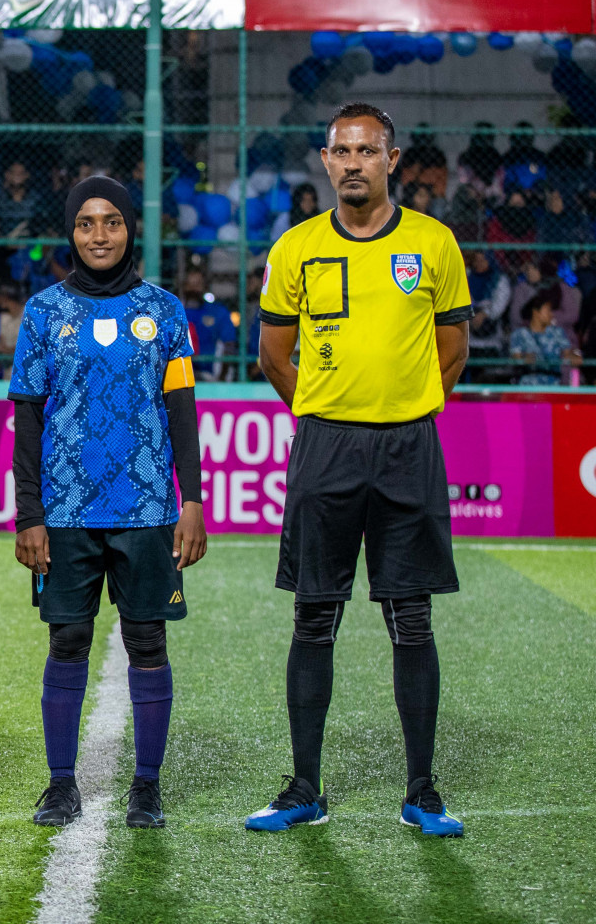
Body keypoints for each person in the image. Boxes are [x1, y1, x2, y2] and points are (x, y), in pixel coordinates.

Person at [249, 102, 471, 837]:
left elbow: (453, 347)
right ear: (324, 159)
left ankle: (423, 792)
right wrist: (321, 409)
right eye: (341, 151)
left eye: (366, 151)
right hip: (326, 447)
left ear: (391, 160)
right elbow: (273, 355)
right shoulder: (297, 247)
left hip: (408, 447)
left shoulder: (434, 244)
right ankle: (303, 789)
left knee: (411, 616)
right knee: (315, 615)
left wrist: (403, 406)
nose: (352, 163)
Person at [11, 175, 206, 830]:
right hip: (65, 514)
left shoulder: (166, 311)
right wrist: (29, 514)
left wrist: (193, 500)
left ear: (130, 230)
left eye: (112, 222)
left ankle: (146, 787)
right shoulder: (43, 313)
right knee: (67, 641)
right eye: (87, 223)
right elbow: (29, 422)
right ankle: (60, 784)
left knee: (148, 641)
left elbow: (182, 413)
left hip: (148, 509)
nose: (99, 235)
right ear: (71, 233)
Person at [509, 288, 581, 386]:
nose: (551, 315)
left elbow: (568, 353)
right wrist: (524, 358)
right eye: (548, 310)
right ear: (536, 312)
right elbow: (516, 358)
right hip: (528, 388)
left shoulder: (557, 332)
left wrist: (575, 355)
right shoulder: (519, 334)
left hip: (553, 386)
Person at [179, 266, 236, 380]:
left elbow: (229, 345)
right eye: (190, 284)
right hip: (180, 373)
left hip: (211, 375)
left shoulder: (217, 311)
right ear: (183, 286)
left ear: (205, 286)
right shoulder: (174, 311)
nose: (194, 289)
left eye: (198, 284)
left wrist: (221, 379)